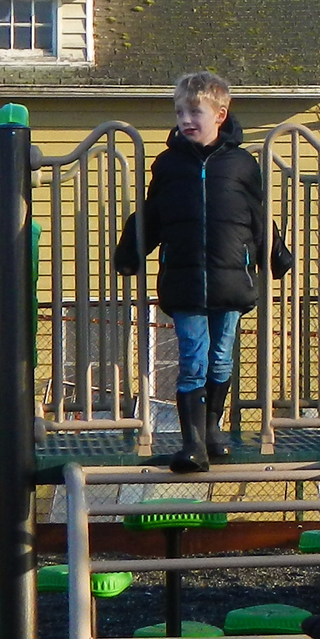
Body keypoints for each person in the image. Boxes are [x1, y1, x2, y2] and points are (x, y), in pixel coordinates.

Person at [114, 70, 288, 471]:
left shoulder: (242, 164)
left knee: (222, 357)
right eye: (180, 113)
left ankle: (212, 430)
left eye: (195, 111)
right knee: (193, 358)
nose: (186, 120)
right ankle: (190, 442)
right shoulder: (169, 165)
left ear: (220, 114)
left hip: (231, 278)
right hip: (185, 278)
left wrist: (276, 254)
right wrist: (130, 252)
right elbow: (152, 214)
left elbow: (259, 216)